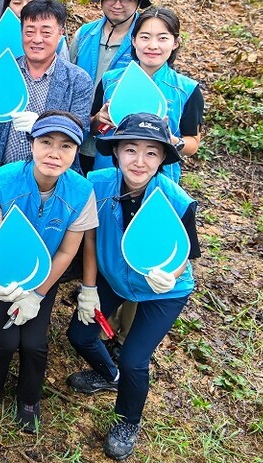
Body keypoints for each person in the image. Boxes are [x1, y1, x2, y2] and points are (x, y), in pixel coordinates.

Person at [66, 113, 199, 460]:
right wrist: (89, 288)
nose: (139, 161)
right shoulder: (97, 185)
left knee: (134, 360)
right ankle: (108, 375)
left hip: (163, 290)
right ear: (116, 152)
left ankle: (128, 421)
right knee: (80, 335)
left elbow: (185, 252)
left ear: (163, 158)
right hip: (113, 277)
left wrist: (171, 275)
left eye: (151, 153)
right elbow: (90, 239)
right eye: (130, 150)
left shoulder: (176, 200)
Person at [0, 111, 98, 432]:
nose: (54, 153)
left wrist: (37, 294)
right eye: (46, 142)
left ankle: (29, 396)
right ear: (31, 144)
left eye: (66, 146)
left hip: (44, 272)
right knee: (5, 339)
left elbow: (67, 251)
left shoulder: (82, 191)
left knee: (34, 343)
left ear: (76, 151)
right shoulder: (1, 182)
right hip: (0, 270)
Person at [90, 7, 203, 183]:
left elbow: (193, 144)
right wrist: (98, 120)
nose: (152, 45)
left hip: (159, 179)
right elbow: (91, 127)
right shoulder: (110, 81)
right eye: (145, 37)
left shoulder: (187, 89)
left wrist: (172, 140)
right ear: (133, 41)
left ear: (175, 43)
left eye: (162, 38)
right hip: (108, 176)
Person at [0, 0, 93, 172]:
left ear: (60, 34)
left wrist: (42, 126)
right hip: (4, 173)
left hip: (54, 176)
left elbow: (80, 130)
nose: (37, 39)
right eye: (29, 32)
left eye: (46, 33)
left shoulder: (78, 79)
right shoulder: (4, 72)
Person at [71, 0, 152, 173]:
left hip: (121, 142)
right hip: (76, 135)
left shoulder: (146, 42)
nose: (117, 5)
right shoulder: (84, 35)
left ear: (138, 2)